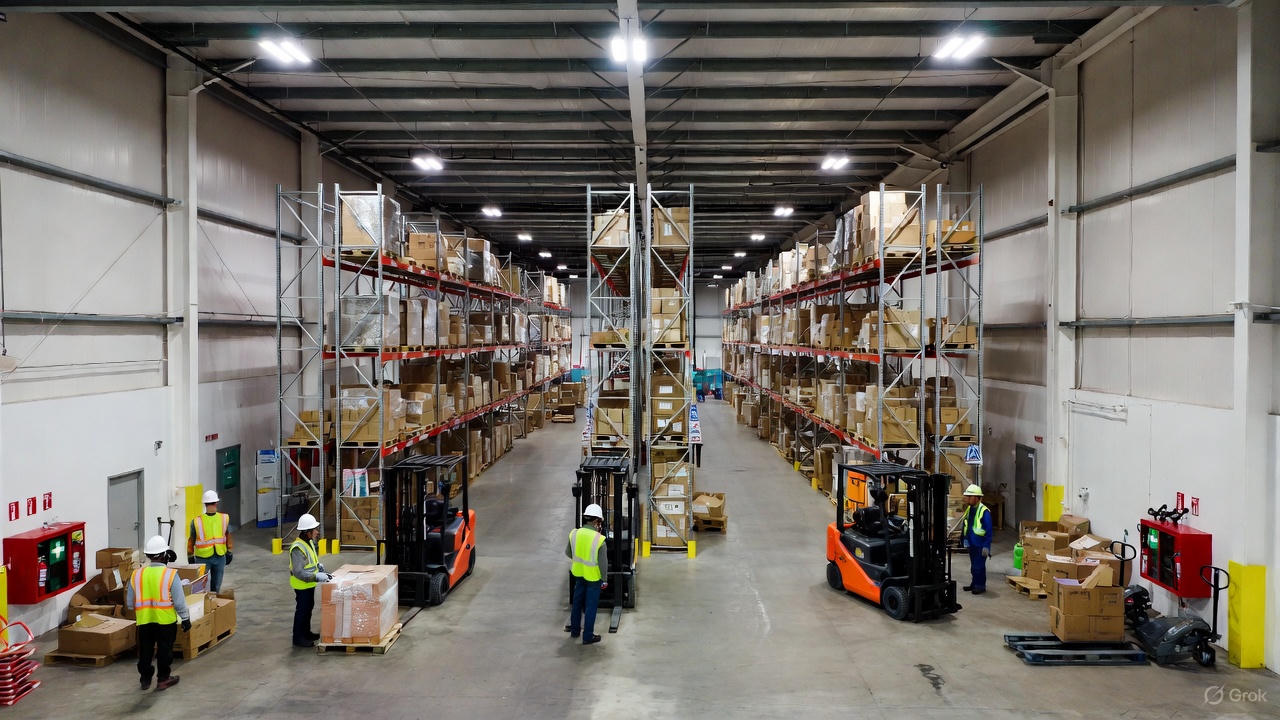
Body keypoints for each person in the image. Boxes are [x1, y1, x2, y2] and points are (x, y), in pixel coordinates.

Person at [126, 535, 190, 692]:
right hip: (165, 622)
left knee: (146, 650)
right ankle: (163, 679)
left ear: (148, 556)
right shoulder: (170, 575)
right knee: (164, 650)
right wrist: (186, 618)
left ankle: (145, 678)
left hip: (144, 621)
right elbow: (179, 601)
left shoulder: (137, 574)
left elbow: (129, 603)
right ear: (164, 555)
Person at [564, 504, 608, 645]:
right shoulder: (599, 539)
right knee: (590, 606)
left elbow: (568, 553)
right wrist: (604, 580)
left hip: (578, 574)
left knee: (577, 603)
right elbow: (603, 564)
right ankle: (588, 636)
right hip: (594, 578)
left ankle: (575, 631)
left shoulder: (574, 533)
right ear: (596, 521)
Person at [289, 513, 332, 647]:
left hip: (309, 584)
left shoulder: (308, 543)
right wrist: (316, 576)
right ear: (307, 532)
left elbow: (310, 562)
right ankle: (298, 638)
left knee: (308, 608)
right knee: (302, 610)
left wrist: (318, 567)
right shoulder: (297, 548)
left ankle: (306, 633)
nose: (317, 532)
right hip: (302, 585)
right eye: (314, 530)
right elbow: (299, 572)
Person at [187, 490, 233, 593]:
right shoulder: (224, 518)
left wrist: (190, 556)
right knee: (213, 587)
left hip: (207, 558)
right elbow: (228, 535)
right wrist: (229, 551)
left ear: (204, 503)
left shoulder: (196, 521)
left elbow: (191, 540)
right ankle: (209, 605)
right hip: (216, 557)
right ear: (216, 502)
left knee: (201, 586)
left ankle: (209, 606)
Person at [960, 484, 993, 594]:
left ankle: (980, 586)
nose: (967, 498)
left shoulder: (984, 511)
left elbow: (989, 531)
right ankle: (974, 584)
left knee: (978, 567)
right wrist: (964, 539)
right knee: (974, 567)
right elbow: (966, 525)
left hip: (980, 545)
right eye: (967, 496)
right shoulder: (970, 509)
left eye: (970, 496)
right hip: (971, 544)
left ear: (977, 497)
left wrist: (986, 546)